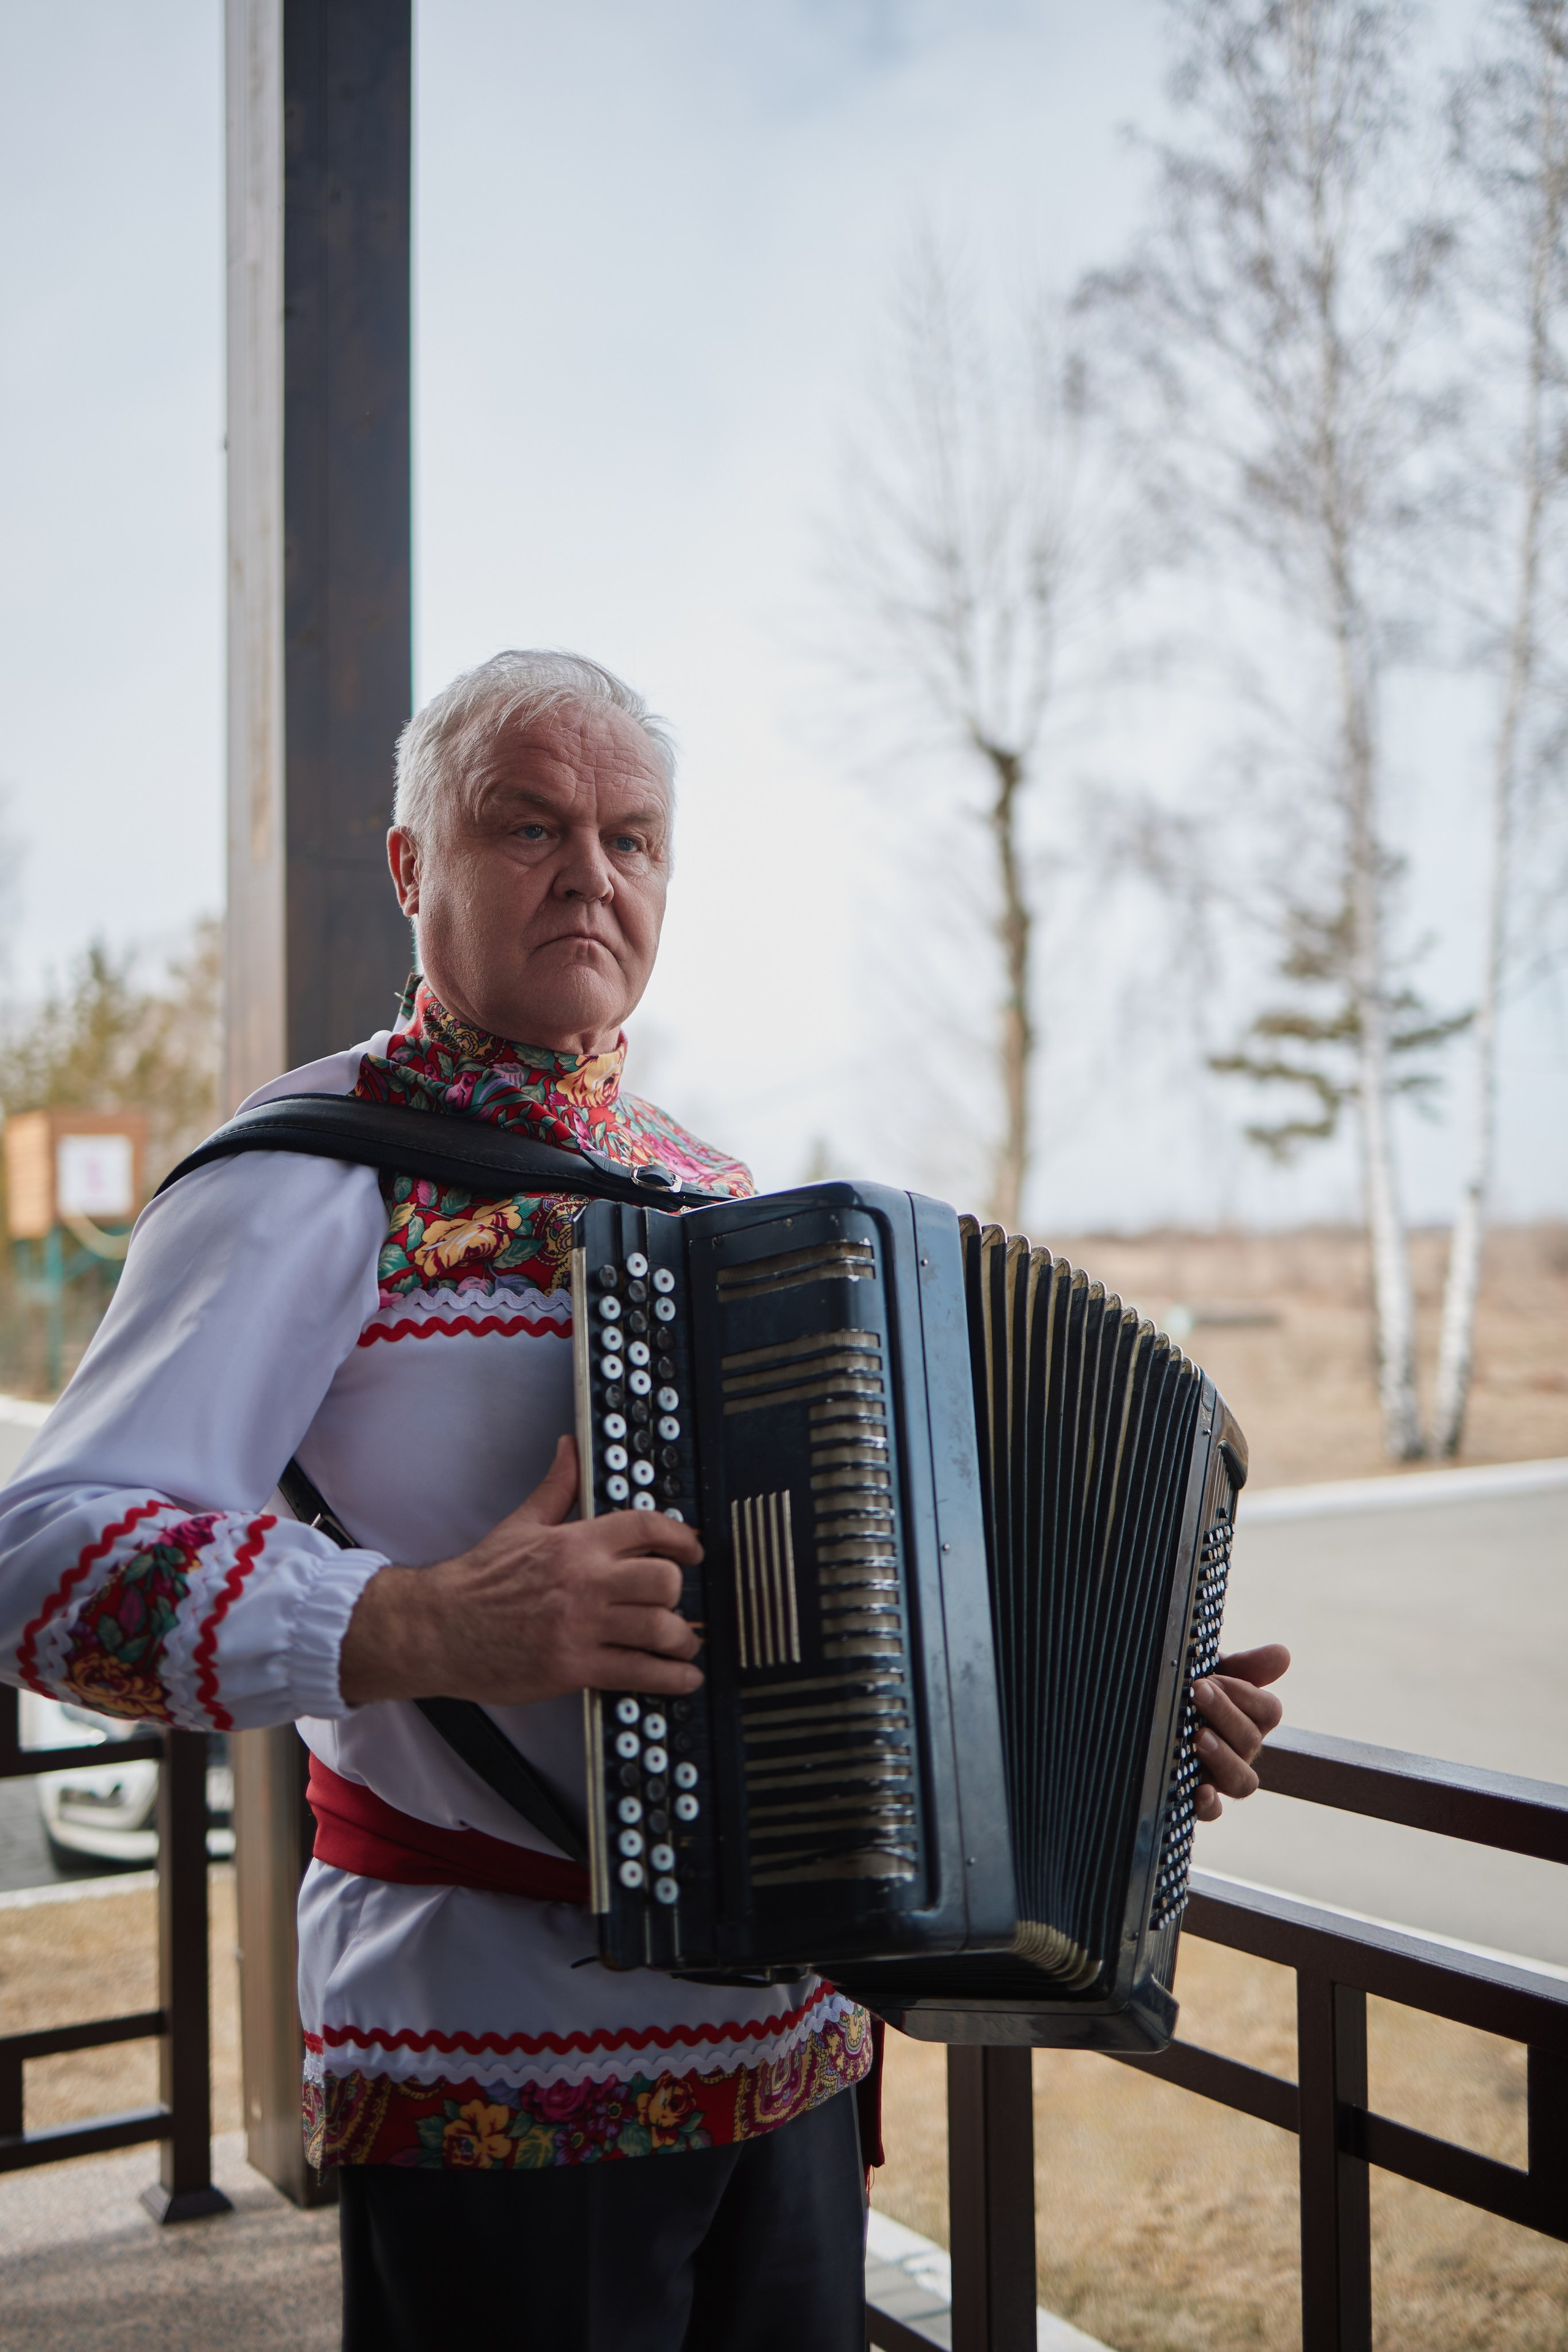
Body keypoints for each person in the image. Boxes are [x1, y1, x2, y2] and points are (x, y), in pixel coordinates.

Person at [0, 650, 1288, 2351]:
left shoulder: (715, 1195)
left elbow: (865, 1611)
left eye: (632, 836)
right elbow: (44, 1564)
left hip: (791, 2060)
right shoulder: (304, 1181)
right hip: (494, 2063)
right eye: (526, 825)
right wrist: (421, 1618)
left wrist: (1110, 1720)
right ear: (413, 869)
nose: (589, 873)